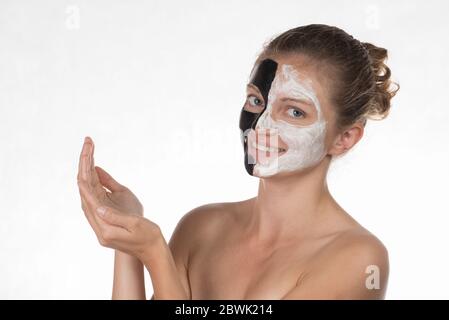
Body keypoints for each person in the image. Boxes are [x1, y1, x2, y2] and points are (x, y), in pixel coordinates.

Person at [77, 24, 399, 300]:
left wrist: (154, 253)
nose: (260, 127)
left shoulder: (358, 259)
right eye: (257, 101)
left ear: (344, 138)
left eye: (295, 111)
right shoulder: (202, 227)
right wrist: (127, 242)